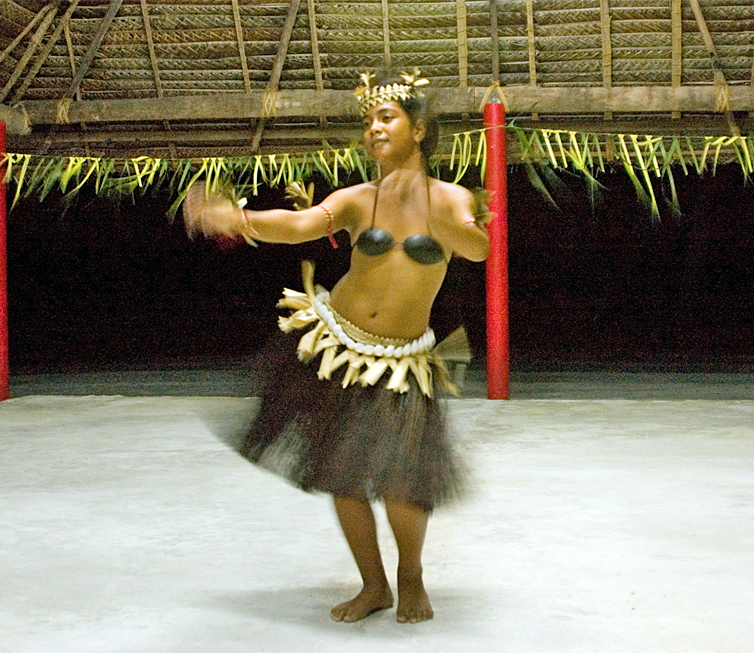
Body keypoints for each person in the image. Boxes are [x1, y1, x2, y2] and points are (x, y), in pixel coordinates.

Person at [183, 70, 490, 624]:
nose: (374, 128)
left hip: (401, 361)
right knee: (343, 476)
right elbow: (300, 224)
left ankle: (410, 576)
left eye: (387, 117)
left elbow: (478, 246)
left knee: (401, 483)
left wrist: (455, 230)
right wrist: (238, 218)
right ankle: (373, 585)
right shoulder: (357, 200)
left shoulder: (450, 198)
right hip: (339, 346)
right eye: (369, 120)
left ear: (419, 130)